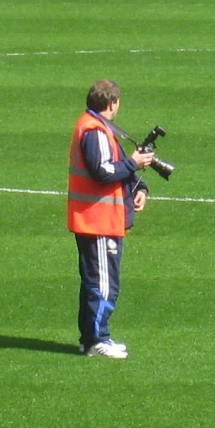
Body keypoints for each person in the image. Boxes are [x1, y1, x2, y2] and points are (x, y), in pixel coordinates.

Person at [68, 79, 154, 359]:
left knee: (94, 281)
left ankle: (90, 337)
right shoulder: (94, 131)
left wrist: (138, 187)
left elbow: (112, 166)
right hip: (98, 220)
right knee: (103, 283)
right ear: (112, 103)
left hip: (98, 218)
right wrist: (134, 164)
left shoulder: (97, 128)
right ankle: (97, 339)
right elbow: (104, 171)